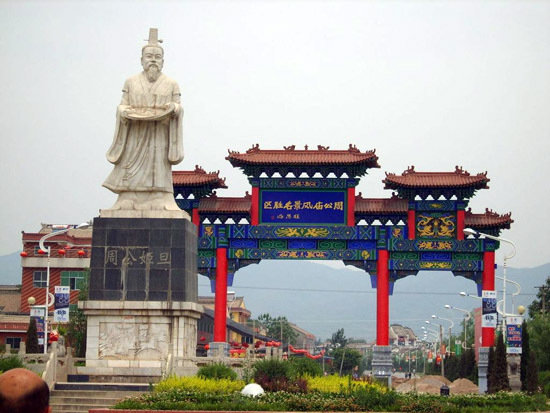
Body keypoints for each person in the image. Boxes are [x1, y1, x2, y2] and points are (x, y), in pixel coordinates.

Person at [102, 28, 186, 214]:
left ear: (163, 61)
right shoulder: (130, 82)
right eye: (149, 56)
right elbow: (122, 106)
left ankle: (160, 196)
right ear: (142, 60)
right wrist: (124, 112)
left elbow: (178, 107)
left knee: (159, 166)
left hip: (160, 133)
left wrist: (174, 109)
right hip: (135, 132)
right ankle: (128, 196)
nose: (153, 60)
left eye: (157, 56)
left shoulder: (171, 83)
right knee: (130, 163)